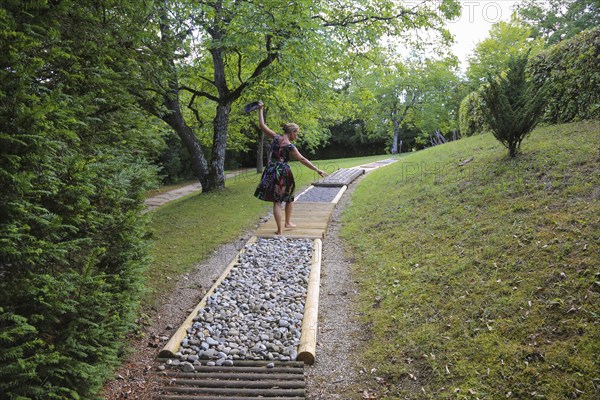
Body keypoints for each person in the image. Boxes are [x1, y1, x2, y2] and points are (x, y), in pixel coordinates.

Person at [253, 102, 327, 235]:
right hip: (283, 172)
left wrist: (260, 110)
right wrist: (317, 170)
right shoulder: (290, 147)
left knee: (278, 201)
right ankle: (284, 225)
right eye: (296, 134)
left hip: (271, 170)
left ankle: (282, 227)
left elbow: (262, 126)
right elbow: (303, 159)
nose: (296, 136)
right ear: (292, 132)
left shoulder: (275, 138)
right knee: (286, 198)